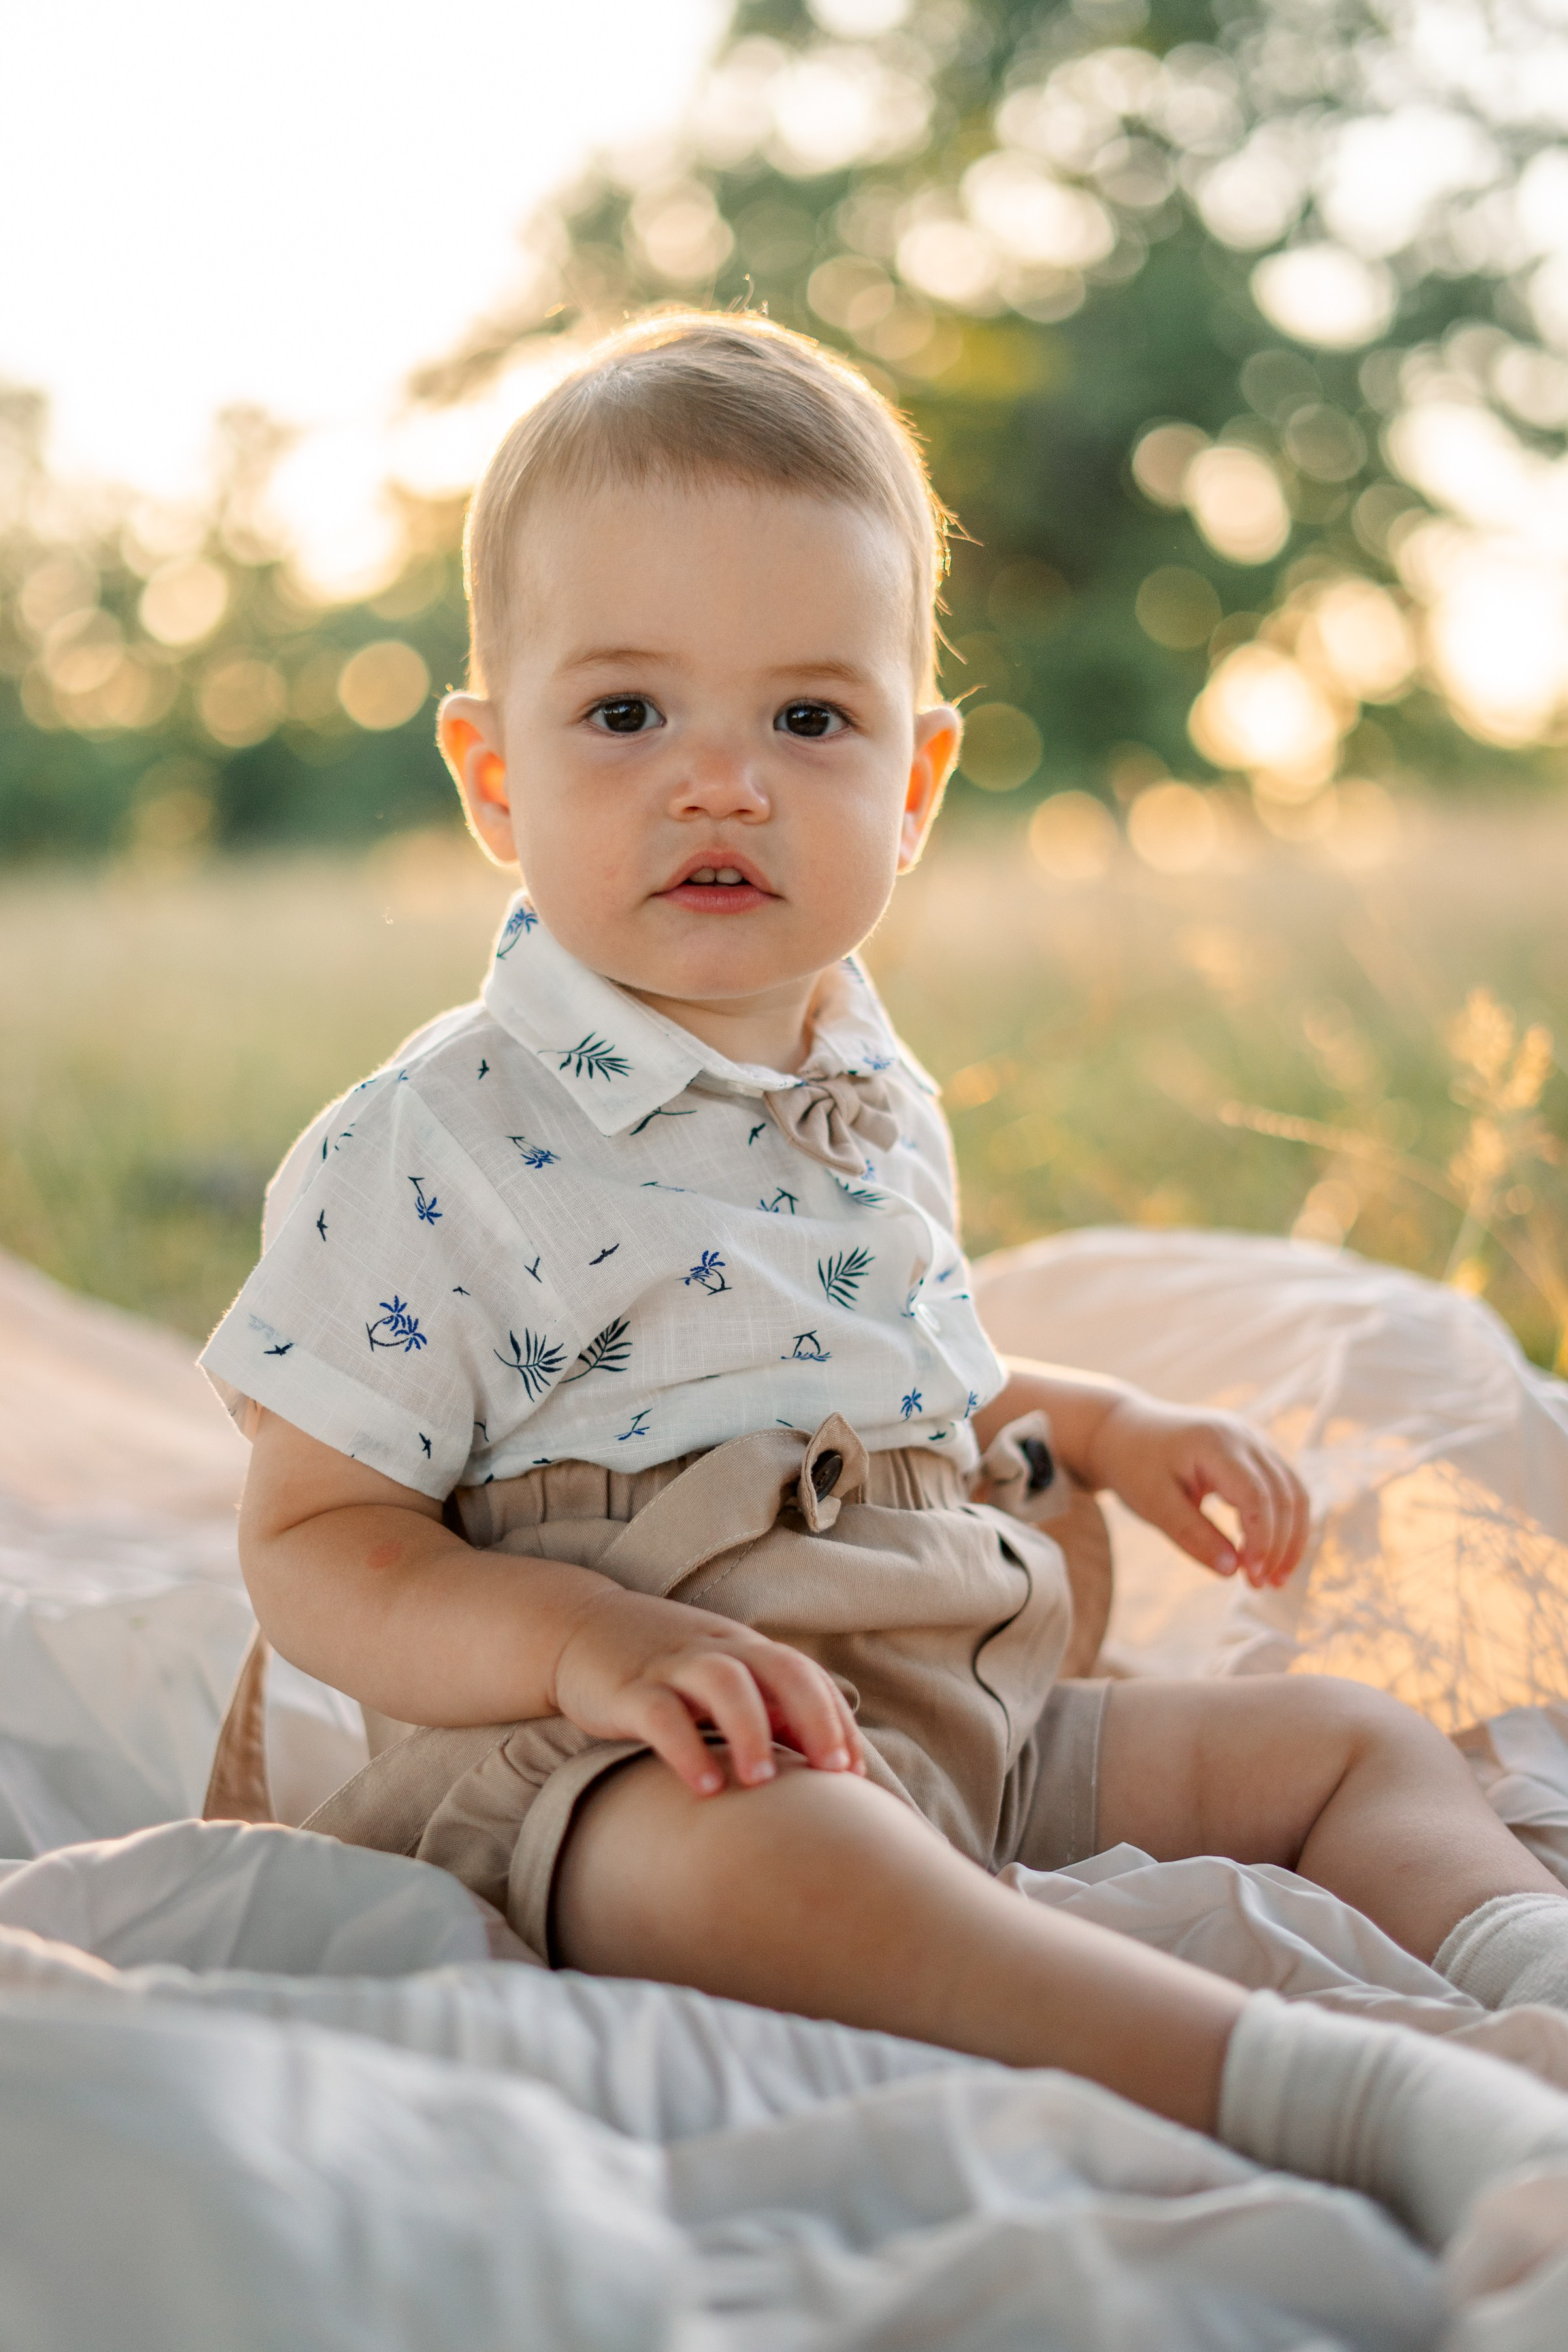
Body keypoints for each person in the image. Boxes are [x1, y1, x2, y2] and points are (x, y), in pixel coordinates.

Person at [203, 312, 1568, 2256]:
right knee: (767, 1874)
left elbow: (883, 1383)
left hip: (966, 1691)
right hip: (652, 1751)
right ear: (493, 774)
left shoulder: (863, 1080)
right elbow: (316, 1540)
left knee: (1351, 1738)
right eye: (627, 715)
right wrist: (590, 1651)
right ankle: (1324, 2086)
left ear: (915, 783)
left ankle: (1524, 1963)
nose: (723, 784)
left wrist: (1101, 1427)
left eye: (810, 721)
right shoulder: (435, 1143)